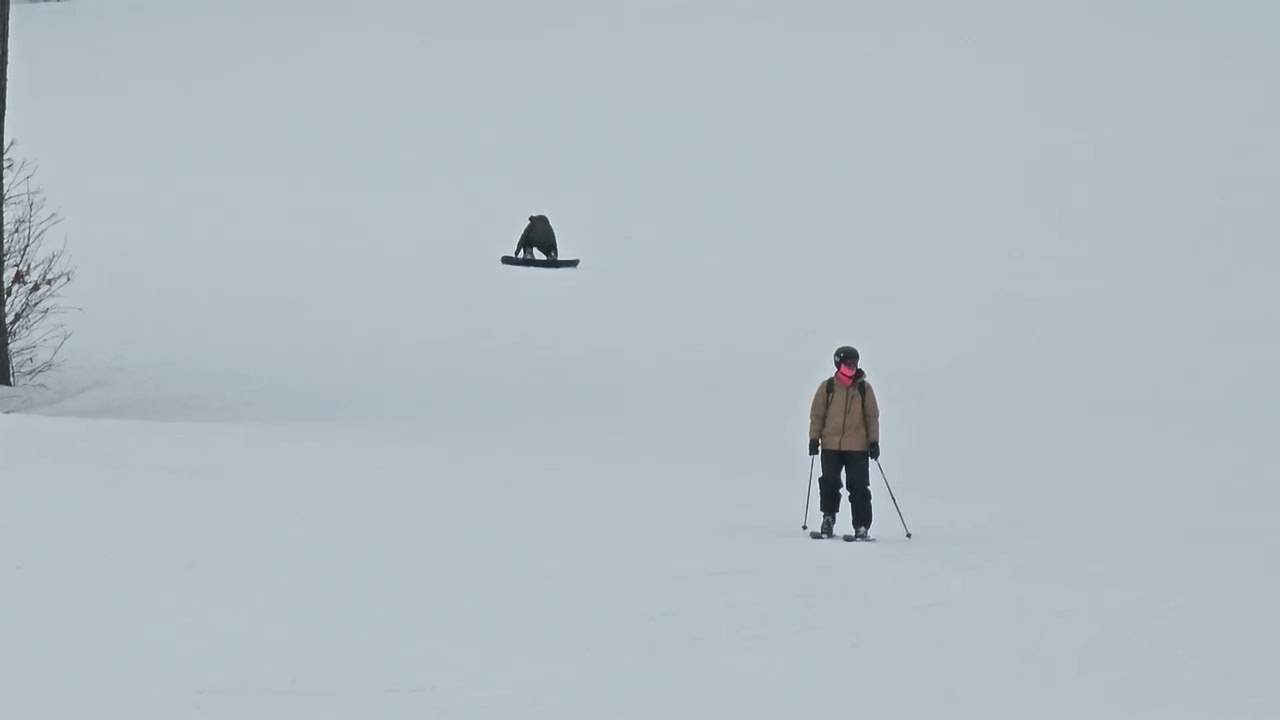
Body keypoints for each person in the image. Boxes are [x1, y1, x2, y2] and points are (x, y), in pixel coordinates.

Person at [808, 345, 881, 538]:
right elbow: (817, 415)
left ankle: (861, 526)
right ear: (838, 363)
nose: (852, 367)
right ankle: (828, 519)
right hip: (831, 446)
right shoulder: (828, 387)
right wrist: (814, 438)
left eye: (854, 364)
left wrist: (874, 442)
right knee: (829, 483)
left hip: (857, 447)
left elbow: (872, 417)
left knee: (858, 487)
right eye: (848, 363)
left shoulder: (864, 389)